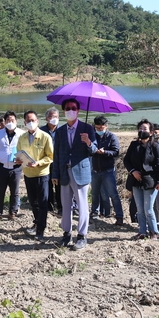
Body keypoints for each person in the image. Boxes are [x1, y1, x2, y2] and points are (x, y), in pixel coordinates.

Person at [52, 98, 97, 250]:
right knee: (65, 205)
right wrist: (55, 174)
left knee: (82, 205)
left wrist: (88, 142)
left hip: (81, 173)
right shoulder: (59, 131)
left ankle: (82, 235)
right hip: (65, 172)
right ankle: (66, 234)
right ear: (64, 111)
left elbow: (95, 150)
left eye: (73, 108)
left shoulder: (87, 128)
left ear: (78, 111)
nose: (71, 110)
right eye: (67, 108)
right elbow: (56, 154)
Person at [124, 119, 159, 239]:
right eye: (140, 129)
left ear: (151, 132)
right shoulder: (133, 145)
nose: (142, 131)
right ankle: (142, 231)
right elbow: (126, 160)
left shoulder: (155, 146)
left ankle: (153, 232)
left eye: (145, 129)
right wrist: (133, 172)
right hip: (136, 180)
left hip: (150, 181)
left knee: (148, 209)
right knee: (140, 209)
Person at [16, 110, 53, 241]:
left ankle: (41, 229)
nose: (31, 123)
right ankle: (37, 222)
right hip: (28, 174)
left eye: (33, 120)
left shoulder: (45, 136)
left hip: (41, 174)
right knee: (33, 202)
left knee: (42, 202)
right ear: (25, 122)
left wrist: (38, 163)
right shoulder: (22, 137)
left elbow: (50, 157)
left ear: (38, 121)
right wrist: (18, 160)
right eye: (28, 121)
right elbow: (18, 153)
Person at [90, 115, 123, 226]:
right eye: (97, 127)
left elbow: (116, 152)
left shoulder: (111, 137)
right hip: (95, 170)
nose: (99, 130)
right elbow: (88, 150)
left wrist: (105, 152)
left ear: (106, 126)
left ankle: (119, 216)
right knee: (94, 193)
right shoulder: (92, 136)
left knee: (113, 194)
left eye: (101, 128)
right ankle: (95, 212)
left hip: (108, 170)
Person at [0, 111, 24, 220]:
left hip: (16, 167)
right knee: (0, 190)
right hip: (2, 166)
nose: (10, 122)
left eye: (12, 120)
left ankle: (12, 212)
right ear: (5, 122)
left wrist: (22, 160)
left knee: (15, 191)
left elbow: (25, 150)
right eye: (8, 120)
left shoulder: (22, 134)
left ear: (16, 121)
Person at [40, 107, 62, 214]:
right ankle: (49, 206)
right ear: (46, 118)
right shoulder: (41, 131)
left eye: (56, 117)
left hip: (59, 162)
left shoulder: (63, 130)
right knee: (47, 184)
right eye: (51, 116)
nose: (54, 119)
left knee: (59, 185)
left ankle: (60, 207)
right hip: (45, 162)